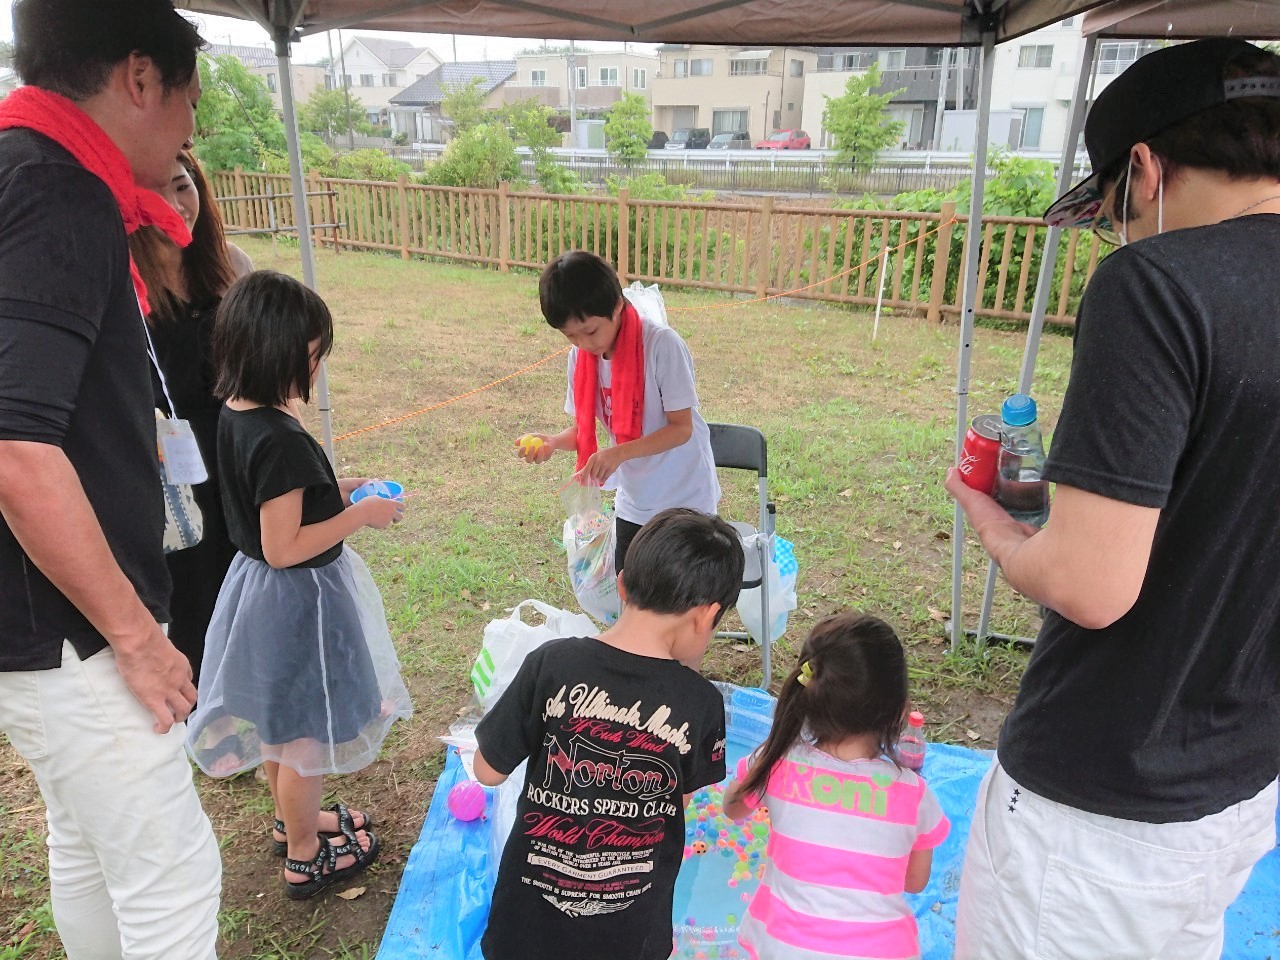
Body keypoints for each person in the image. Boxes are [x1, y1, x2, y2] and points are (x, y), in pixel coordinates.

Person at [946, 38, 1280, 960]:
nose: (1122, 235)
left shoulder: (1158, 286)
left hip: (1100, 801)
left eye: (1113, 215)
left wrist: (999, 530)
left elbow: (1092, 585)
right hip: (1244, 781)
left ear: (1144, 167)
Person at [0, 1, 221, 957]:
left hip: (38, 633)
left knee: (86, 845)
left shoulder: (26, 170)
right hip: (73, 637)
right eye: (188, 103)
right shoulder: (57, 190)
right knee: (171, 879)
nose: (189, 132)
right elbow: (15, 445)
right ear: (140, 78)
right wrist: (134, 636)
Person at [184, 270, 412, 898]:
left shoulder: (236, 413)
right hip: (297, 601)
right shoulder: (279, 440)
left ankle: (295, 821)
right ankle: (306, 852)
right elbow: (286, 546)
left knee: (281, 726)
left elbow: (275, 510)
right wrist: (359, 515)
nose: (315, 369)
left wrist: (337, 490)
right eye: (311, 357)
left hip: (257, 592)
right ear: (272, 353)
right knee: (303, 735)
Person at [472, 507, 742, 960]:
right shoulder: (700, 703)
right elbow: (679, 798)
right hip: (628, 936)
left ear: (620, 585)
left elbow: (487, 771)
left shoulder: (550, 663)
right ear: (706, 616)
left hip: (525, 926)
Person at [723, 612, 949, 960]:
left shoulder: (778, 763)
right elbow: (914, 881)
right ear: (898, 713)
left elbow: (733, 808)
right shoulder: (913, 794)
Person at [130, 148, 253, 682]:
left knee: (248, 564)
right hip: (166, 457)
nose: (175, 203)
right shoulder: (121, 280)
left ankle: (248, 688)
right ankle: (205, 704)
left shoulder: (233, 265)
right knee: (191, 577)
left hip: (237, 444)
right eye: (155, 190)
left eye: (182, 185)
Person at [518, 250, 720, 573]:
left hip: (685, 499)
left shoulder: (661, 346)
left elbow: (682, 428)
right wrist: (553, 442)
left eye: (591, 331)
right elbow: (584, 431)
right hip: (635, 502)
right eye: (571, 335)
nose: (584, 344)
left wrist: (619, 453)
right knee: (631, 593)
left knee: (682, 602)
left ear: (616, 305)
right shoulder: (580, 359)